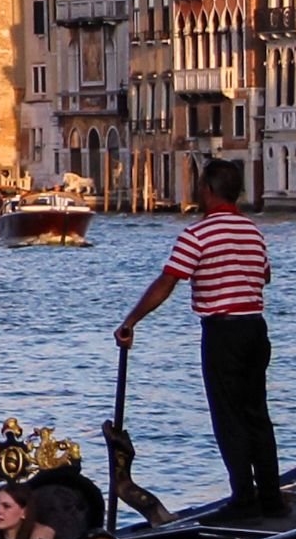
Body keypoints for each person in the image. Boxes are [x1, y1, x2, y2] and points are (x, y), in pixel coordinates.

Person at [116, 155, 282, 514]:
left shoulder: (197, 234)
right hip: (255, 329)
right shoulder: (253, 232)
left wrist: (131, 321)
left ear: (207, 190)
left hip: (224, 333)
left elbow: (167, 282)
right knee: (256, 413)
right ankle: (271, 498)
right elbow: (264, 276)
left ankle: (244, 499)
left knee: (228, 416)